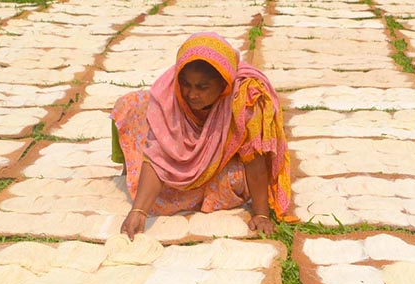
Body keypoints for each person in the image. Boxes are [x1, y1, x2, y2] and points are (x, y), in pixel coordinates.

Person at [110, 32, 293, 239]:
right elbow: (158, 154)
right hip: (185, 158)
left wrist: (261, 214)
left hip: (222, 167)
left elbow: (255, 162)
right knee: (130, 105)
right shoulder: (171, 93)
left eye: (202, 87)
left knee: (230, 182)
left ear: (224, 83)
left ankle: (188, 187)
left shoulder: (245, 99)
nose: (191, 94)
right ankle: (130, 166)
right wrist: (139, 211)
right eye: (186, 84)